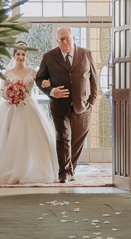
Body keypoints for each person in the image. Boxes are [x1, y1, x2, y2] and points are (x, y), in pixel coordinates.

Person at [36, 27, 98, 183]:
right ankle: (64, 173)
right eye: (61, 39)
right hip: (59, 106)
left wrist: (91, 103)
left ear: (73, 38)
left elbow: (94, 81)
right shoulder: (49, 57)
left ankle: (70, 169)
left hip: (82, 106)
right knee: (63, 138)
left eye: (67, 38)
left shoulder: (86, 54)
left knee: (77, 140)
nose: (64, 41)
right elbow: (39, 79)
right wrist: (51, 91)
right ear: (57, 41)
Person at [0, 42, 59, 184]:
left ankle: (30, 170)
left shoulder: (33, 72)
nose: (21, 57)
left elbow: (43, 82)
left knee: (30, 140)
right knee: (9, 139)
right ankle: (9, 169)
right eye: (18, 54)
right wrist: (11, 95)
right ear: (14, 55)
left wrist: (48, 84)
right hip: (10, 108)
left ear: (26, 56)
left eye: (23, 54)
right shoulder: (7, 73)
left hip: (28, 106)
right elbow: (2, 92)